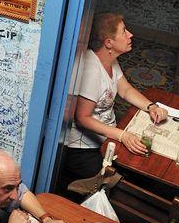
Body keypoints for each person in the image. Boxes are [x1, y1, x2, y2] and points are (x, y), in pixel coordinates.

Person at [60, 12, 168, 188]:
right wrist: (122, 135)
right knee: (121, 183)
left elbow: (125, 90)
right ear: (108, 43)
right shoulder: (91, 70)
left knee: (146, 158)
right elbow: (83, 118)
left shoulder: (109, 59)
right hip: (83, 149)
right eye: (124, 31)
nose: (130, 35)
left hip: (107, 136)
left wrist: (151, 106)